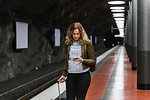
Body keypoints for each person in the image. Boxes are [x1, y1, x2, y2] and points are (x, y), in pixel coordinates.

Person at [59, 22, 95, 100]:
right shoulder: (68, 44)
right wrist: (64, 74)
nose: (76, 36)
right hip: (71, 76)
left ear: (81, 33)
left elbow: (93, 60)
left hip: (83, 76)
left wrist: (82, 60)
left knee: (80, 98)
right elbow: (67, 60)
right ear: (71, 33)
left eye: (77, 34)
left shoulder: (87, 43)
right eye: (74, 34)